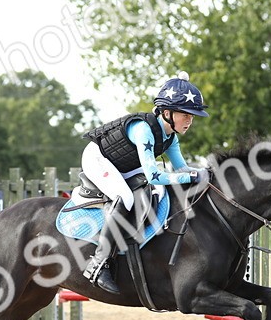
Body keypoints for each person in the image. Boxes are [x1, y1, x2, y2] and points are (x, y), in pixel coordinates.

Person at [79, 73, 210, 293]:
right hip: (98, 158)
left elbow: (182, 170)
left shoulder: (170, 137)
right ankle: (98, 264)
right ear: (167, 113)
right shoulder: (144, 131)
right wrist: (192, 177)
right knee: (126, 197)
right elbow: (154, 176)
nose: (189, 121)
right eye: (185, 115)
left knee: (157, 191)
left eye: (192, 116)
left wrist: (207, 174)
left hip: (123, 162)